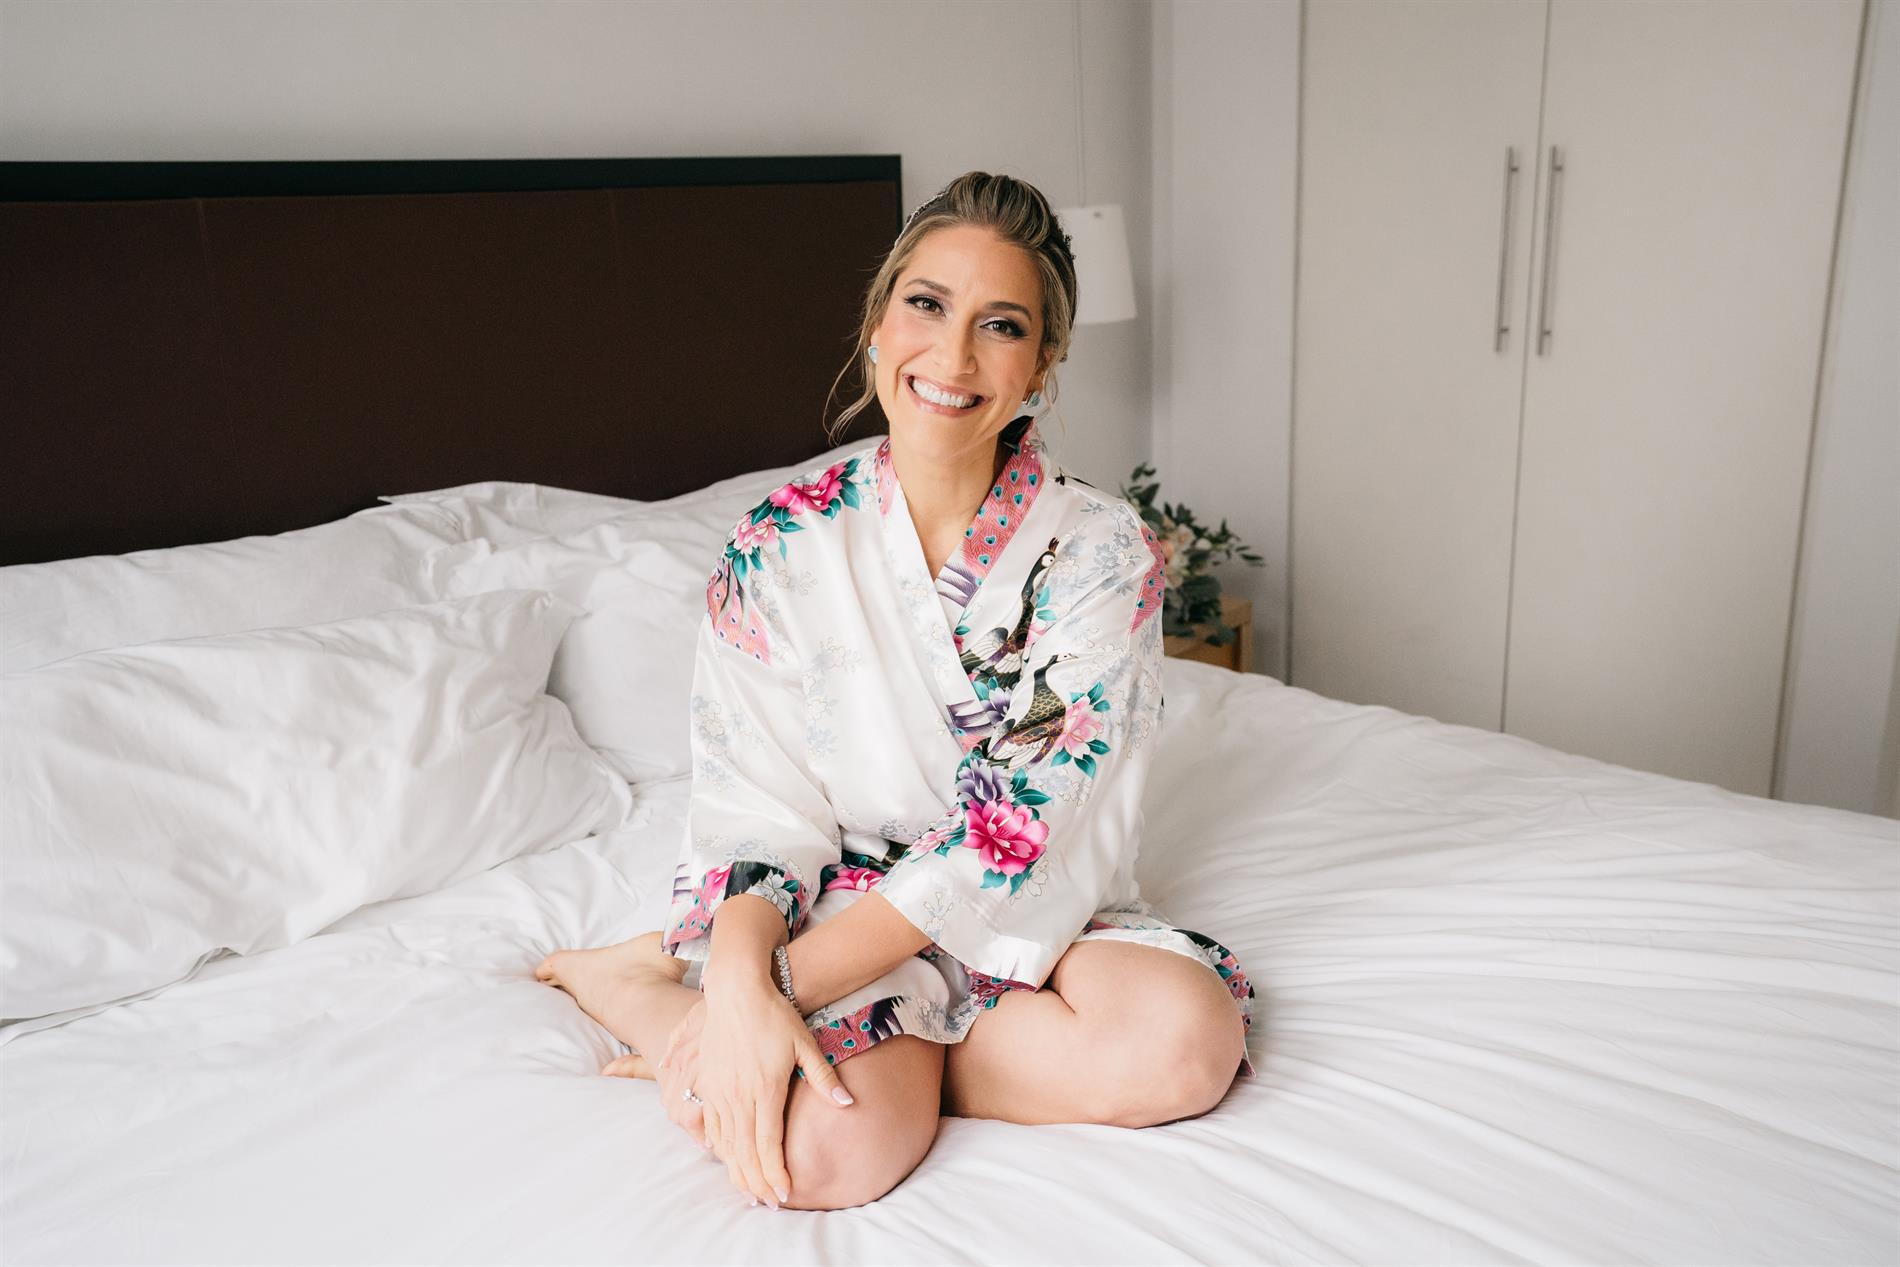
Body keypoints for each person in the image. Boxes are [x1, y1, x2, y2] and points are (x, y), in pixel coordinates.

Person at [536, 171, 1255, 1212]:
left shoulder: (1104, 552)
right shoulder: (778, 543)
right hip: (844, 898)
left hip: (1033, 905)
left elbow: (1022, 824)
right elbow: (754, 800)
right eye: (927, 304)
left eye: (1000, 325)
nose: (953, 358)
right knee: (818, 1160)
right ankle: (653, 991)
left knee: (1183, 1043)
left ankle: (727, 1027)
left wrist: (763, 995)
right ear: (878, 322)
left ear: (1042, 362)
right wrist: (742, 963)